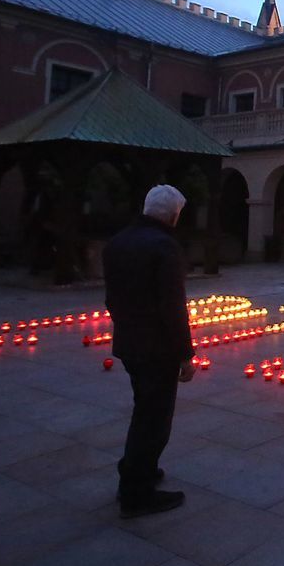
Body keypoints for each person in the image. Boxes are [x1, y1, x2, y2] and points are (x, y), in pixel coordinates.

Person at [104, 185, 197, 518]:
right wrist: (185, 354)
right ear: (173, 215)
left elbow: (110, 299)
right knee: (154, 419)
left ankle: (137, 468)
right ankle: (136, 493)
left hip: (129, 343)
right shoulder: (164, 247)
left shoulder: (117, 243)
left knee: (143, 409)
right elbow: (172, 308)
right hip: (157, 349)